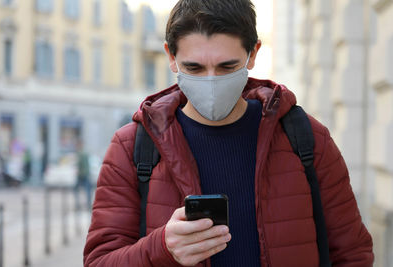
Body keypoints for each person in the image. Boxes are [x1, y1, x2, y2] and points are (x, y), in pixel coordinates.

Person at [83, 0, 374, 266]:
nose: (211, 82)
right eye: (193, 68)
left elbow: (352, 254)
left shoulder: (306, 137)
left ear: (253, 54)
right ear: (171, 57)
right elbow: (98, 261)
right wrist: (161, 248)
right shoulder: (132, 146)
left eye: (227, 66)